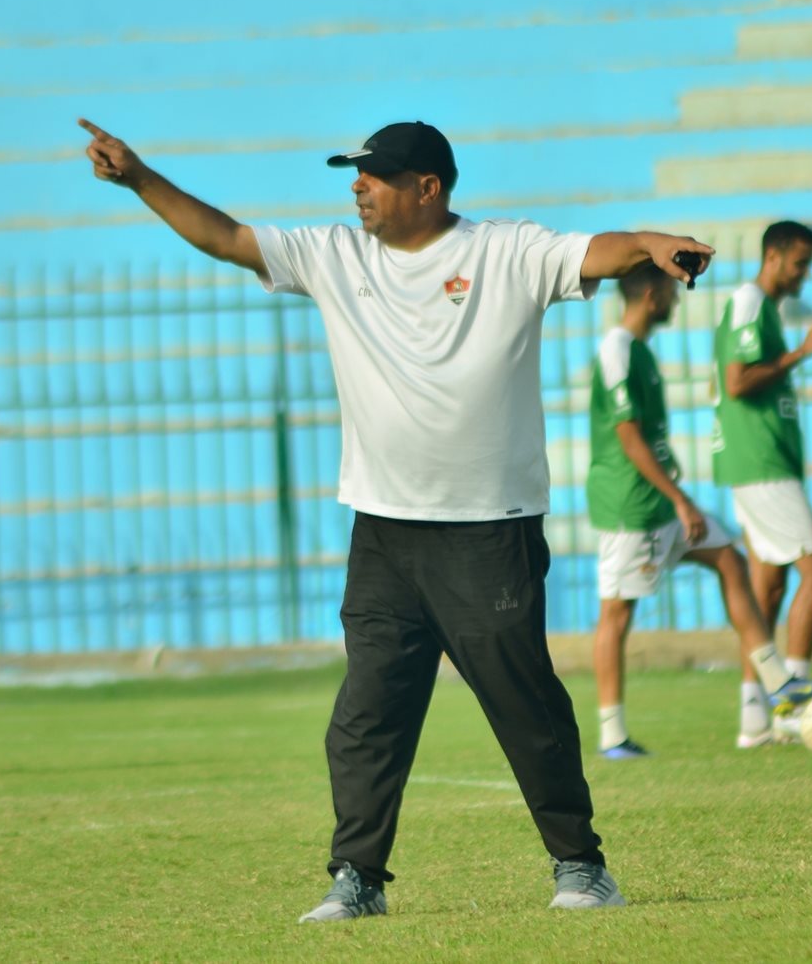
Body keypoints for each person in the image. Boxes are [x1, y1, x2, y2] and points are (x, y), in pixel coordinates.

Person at [79, 117, 716, 920]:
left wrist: (653, 244)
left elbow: (599, 251)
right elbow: (227, 238)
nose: (357, 186)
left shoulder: (504, 250)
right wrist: (140, 177)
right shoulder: (335, 255)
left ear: (428, 187)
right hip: (382, 533)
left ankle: (582, 867)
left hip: (490, 530)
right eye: (356, 174)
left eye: (374, 175)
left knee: (526, 708)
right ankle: (358, 878)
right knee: (367, 715)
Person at [587, 264, 812, 758]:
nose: (676, 301)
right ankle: (612, 735)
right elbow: (628, 437)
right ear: (652, 295)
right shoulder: (617, 351)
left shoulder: (640, 351)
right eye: (672, 292)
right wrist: (680, 498)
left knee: (730, 560)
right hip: (632, 508)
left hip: (661, 503)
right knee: (616, 613)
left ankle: (776, 680)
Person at [710, 221, 812, 731]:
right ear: (773, 257)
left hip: (760, 462)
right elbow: (737, 382)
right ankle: (796, 700)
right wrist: (800, 354)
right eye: (800, 263)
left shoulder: (763, 309)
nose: (805, 274)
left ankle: (755, 719)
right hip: (759, 462)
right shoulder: (749, 302)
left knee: (767, 588)